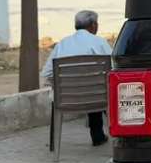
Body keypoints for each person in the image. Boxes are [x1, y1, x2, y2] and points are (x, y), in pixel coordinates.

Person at [41, 10, 112, 146]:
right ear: (93, 25)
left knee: (91, 89)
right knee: (97, 89)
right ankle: (101, 136)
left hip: (66, 98)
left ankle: (56, 144)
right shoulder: (100, 42)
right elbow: (114, 68)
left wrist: (60, 85)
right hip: (97, 97)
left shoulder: (62, 44)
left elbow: (47, 73)